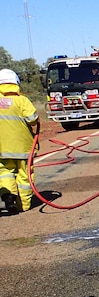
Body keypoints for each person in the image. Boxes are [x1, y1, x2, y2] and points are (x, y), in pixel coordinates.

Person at [0, 68, 40, 213]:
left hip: (2, 148)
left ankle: (8, 196)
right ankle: (22, 205)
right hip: (23, 148)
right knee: (24, 175)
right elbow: (33, 119)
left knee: (4, 172)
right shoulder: (22, 100)